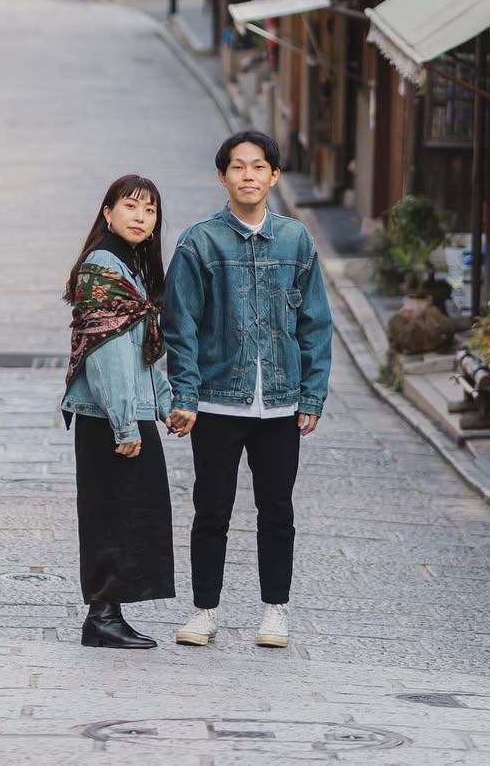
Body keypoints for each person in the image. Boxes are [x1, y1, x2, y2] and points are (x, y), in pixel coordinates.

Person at [162, 130, 332, 650]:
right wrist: (185, 395)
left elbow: (315, 322)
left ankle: (274, 612)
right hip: (216, 399)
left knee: (277, 508)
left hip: (280, 403)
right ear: (222, 176)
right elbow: (180, 324)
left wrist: (312, 395)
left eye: (259, 167)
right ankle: (204, 612)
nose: (249, 176)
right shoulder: (199, 242)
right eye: (238, 167)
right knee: (211, 508)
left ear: (274, 175)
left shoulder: (296, 240)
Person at [61, 174, 176, 649]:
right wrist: (125, 424)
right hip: (108, 417)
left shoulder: (131, 268)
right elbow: (107, 356)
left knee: (134, 511)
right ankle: (101, 616)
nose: (140, 217)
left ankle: (111, 613)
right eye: (130, 206)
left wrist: (167, 406)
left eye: (149, 211)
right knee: (112, 513)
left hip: (123, 413)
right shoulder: (104, 267)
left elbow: (144, 354)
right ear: (107, 213)